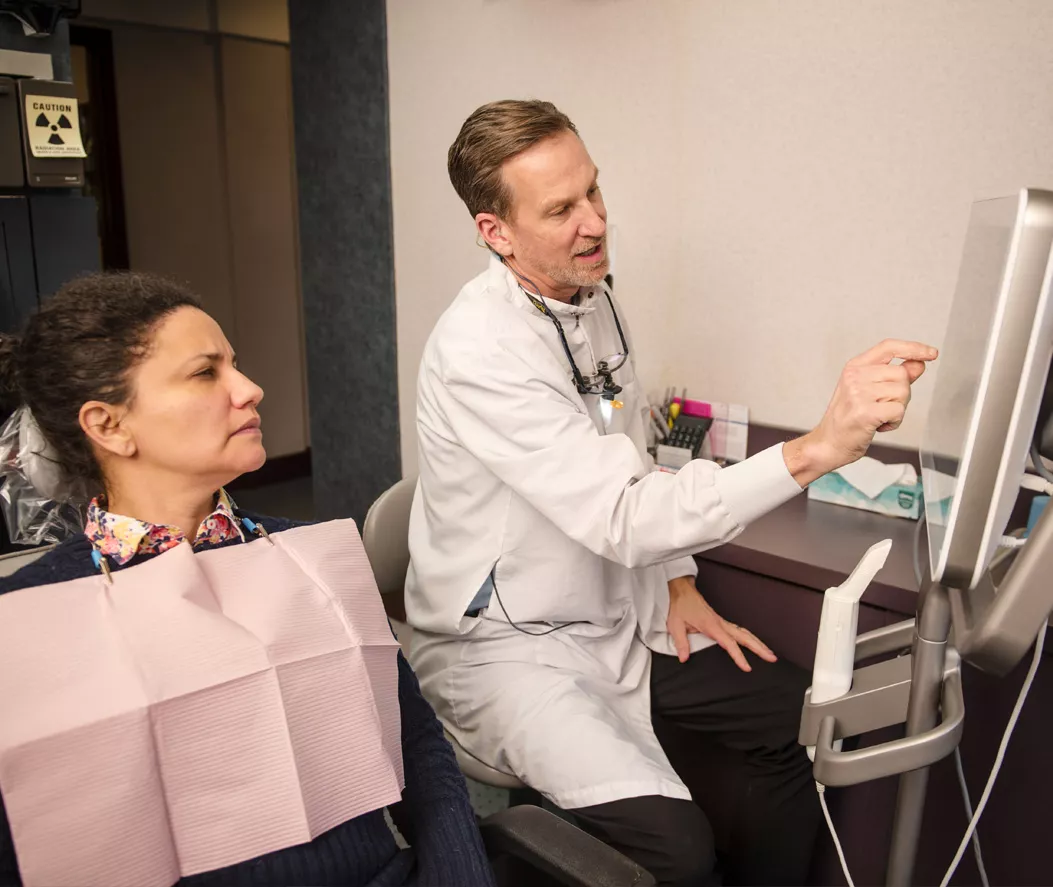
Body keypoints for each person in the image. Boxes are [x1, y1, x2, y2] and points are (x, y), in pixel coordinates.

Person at [405, 99, 937, 887]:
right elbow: (623, 514)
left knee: (795, 716)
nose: (594, 222)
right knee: (677, 851)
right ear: (496, 232)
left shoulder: (593, 300)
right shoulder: (479, 348)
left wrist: (679, 579)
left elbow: (625, 453)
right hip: (506, 647)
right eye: (560, 209)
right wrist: (815, 449)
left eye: (593, 190)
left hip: (611, 608)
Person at [0, 272, 495, 887]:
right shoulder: (31, 621)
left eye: (235, 365)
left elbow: (418, 749)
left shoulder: (312, 560)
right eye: (205, 373)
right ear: (108, 425)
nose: (250, 389)